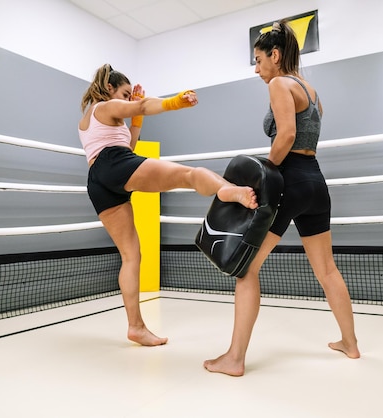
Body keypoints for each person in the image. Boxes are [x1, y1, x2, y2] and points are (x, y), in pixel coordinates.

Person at [204, 21, 360, 376]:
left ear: (275, 55)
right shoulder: (312, 90)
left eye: (259, 61)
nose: (258, 70)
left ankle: (234, 358)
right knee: (327, 269)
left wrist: (265, 175)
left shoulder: (279, 83)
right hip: (315, 183)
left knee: (246, 270)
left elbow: (287, 134)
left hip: (289, 181)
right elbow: (306, 134)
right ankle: (349, 344)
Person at [79, 64, 258, 346]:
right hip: (113, 164)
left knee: (131, 255)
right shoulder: (105, 106)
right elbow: (146, 107)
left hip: (99, 181)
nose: (128, 100)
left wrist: (135, 119)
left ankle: (135, 327)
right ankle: (228, 190)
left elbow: (130, 148)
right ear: (110, 89)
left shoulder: (95, 118)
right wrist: (173, 102)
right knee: (187, 175)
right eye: (125, 94)